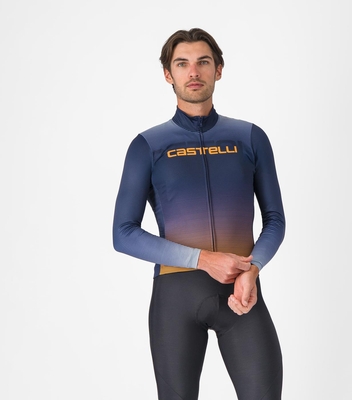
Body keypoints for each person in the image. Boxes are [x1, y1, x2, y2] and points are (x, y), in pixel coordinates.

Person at [113, 28, 285, 400]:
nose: (193, 71)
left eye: (203, 62)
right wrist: (203, 260)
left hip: (242, 293)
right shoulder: (148, 146)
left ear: (218, 70)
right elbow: (123, 233)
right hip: (176, 298)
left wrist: (252, 269)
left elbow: (275, 219)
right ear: (168, 74)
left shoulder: (249, 137)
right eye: (182, 63)